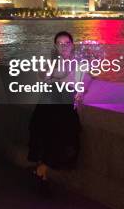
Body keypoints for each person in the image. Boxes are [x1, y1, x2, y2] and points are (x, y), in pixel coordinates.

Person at [28, 31, 92, 193]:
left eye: (67, 43)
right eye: (59, 43)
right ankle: (42, 174)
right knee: (54, 135)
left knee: (61, 136)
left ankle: (41, 172)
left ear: (72, 45)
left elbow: (83, 84)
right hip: (51, 105)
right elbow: (42, 76)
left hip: (62, 106)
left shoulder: (80, 64)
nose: (63, 46)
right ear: (55, 46)